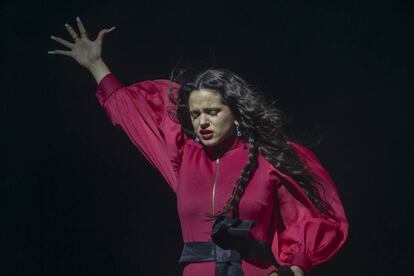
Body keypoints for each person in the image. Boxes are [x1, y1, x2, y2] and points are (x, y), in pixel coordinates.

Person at [49, 17, 348, 276]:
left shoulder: (267, 159)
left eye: (212, 112)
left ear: (235, 112)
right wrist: (96, 65)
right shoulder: (183, 158)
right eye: (195, 115)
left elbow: (311, 219)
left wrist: (294, 267)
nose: (202, 122)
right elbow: (133, 118)